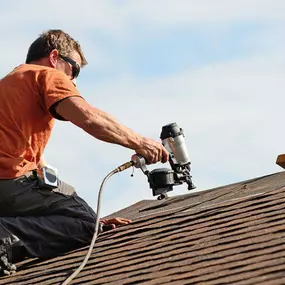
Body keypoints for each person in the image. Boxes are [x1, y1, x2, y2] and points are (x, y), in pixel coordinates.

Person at [0, 29, 169, 275]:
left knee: (84, 218)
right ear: (54, 57)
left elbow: (36, 164)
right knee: (85, 224)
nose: (74, 82)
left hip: (9, 186)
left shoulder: (11, 83)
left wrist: (80, 217)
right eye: (74, 70)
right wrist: (141, 143)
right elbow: (89, 118)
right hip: (10, 182)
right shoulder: (45, 76)